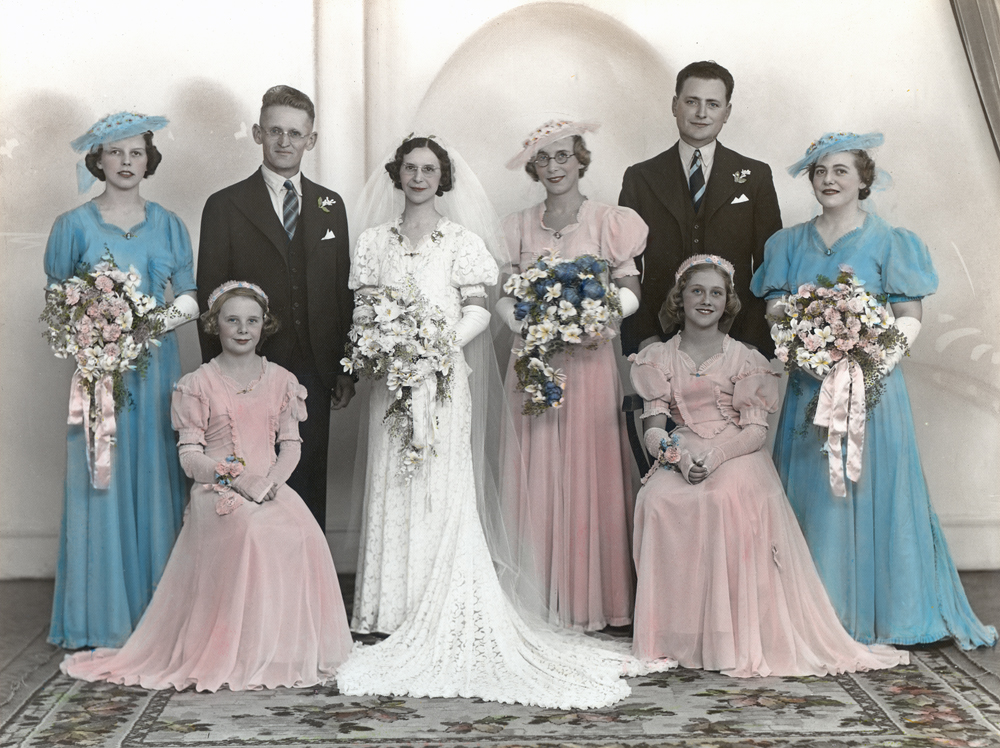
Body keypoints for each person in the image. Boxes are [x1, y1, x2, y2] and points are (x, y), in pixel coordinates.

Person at [337, 135, 661, 709]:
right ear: (397, 174)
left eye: (429, 169)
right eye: (409, 168)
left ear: (444, 178)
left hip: (444, 376)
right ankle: (385, 610)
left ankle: (445, 603)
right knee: (394, 481)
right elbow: (365, 309)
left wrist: (434, 348)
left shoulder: (462, 241)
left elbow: (480, 309)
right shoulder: (371, 243)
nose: (418, 177)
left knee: (441, 485)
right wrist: (387, 347)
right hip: (394, 378)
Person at [750, 132, 997, 650]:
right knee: (815, 493)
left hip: (873, 390)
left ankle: (890, 615)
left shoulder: (891, 240)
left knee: (871, 487)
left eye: (840, 170)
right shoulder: (787, 243)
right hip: (808, 388)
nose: (828, 180)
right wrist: (806, 335)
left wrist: (869, 360)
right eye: (819, 171)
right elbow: (774, 308)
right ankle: (815, 616)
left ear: (864, 179)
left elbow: (909, 316)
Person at [61, 282, 353, 691]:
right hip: (218, 488)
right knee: (253, 531)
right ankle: (242, 651)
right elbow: (190, 458)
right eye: (232, 320)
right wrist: (241, 479)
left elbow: (290, 447)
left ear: (264, 326)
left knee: (304, 531)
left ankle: (287, 647)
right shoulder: (198, 384)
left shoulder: (282, 379)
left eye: (252, 321)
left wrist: (267, 483)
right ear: (216, 325)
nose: (242, 329)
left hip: (269, 486)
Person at [630, 255, 908, 676]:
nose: (706, 300)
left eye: (716, 293)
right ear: (679, 298)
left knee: (722, 497)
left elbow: (755, 432)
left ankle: (726, 638)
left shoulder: (745, 358)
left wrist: (718, 457)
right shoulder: (658, 357)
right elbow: (653, 428)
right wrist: (676, 457)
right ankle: (674, 635)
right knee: (657, 499)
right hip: (685, 447)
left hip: (738, 450)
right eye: (697, 291)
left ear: (728, 303)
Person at [45, 112, 200, 649]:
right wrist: (101, 336)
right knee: (101, 479)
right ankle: (103, 619)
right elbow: (57, 299)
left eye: (136, 153)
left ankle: (160, 616)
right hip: (100, 375)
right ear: (99, 159)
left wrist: (142, 327)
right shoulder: (72, 225)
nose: (127, 162)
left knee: (156, 476)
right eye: (116, 153)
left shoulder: (170, 223)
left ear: (148, 159)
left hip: (156, 370)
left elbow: (190, 297)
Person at [495, 120, 645, 631]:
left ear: (580, 159)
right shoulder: (516, 226)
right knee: (536, 464)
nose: (554, 167)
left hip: (589, 358)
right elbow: (504, 295)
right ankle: (537, 595)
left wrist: (595, 319)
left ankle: (591, 599)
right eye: (544, 160)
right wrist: (528, 325)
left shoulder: (609, 220)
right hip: (536, 359)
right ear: (534, 168)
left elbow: (629, 288)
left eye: (563, 156)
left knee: (589, 464)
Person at [196, 85, 354, 530]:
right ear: (257, 133)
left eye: (296, 133)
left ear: (312, 140)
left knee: (308, 479)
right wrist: (218, 377)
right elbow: (211, 295)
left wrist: (344, 368)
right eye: (275, 131)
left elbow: (342, 292)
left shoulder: (330, 205)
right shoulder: (224, 205)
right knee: (251, 478)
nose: (285, 142)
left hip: (317, 368)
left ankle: (305, 587)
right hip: (249, 369)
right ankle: (257, 585)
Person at [619, 61, 781, 357]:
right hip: (660, 339)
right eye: (692, 101)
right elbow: (626, 266)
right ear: (674, 104)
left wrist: (752, 343)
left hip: (737, 340)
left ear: (727, 112)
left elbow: (770, 267)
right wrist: (645, 339)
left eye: (713, 104)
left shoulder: (755, 176)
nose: (701, 113)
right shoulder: (640, 177)